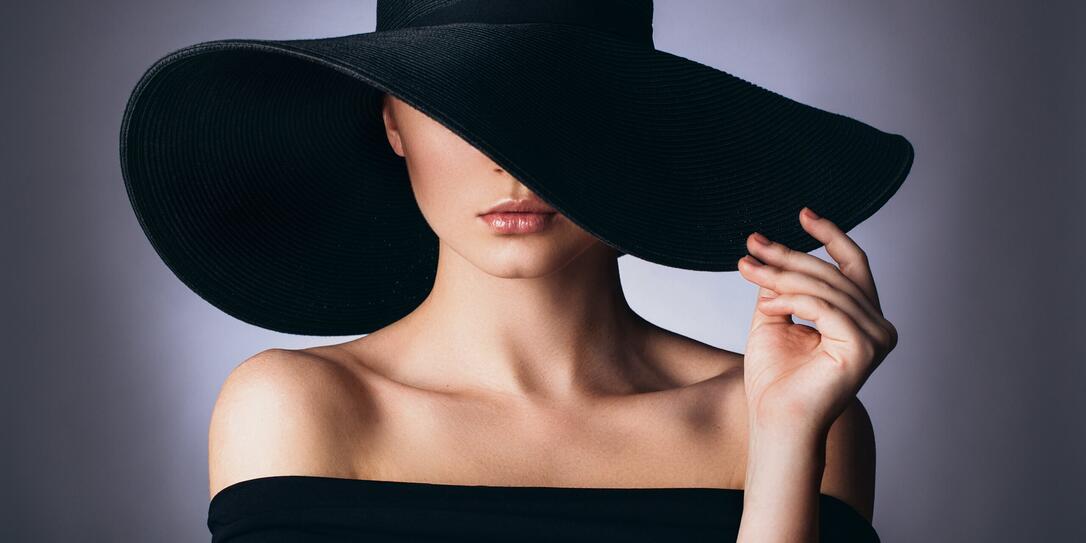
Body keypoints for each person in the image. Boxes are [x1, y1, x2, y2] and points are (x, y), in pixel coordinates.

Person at [120, 1, 911, 540]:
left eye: (556, 105)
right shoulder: (298, 407)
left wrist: (784, 445)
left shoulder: (793, 418)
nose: (510, 163)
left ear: (633, 122)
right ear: (391, 121)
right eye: (456, 105)